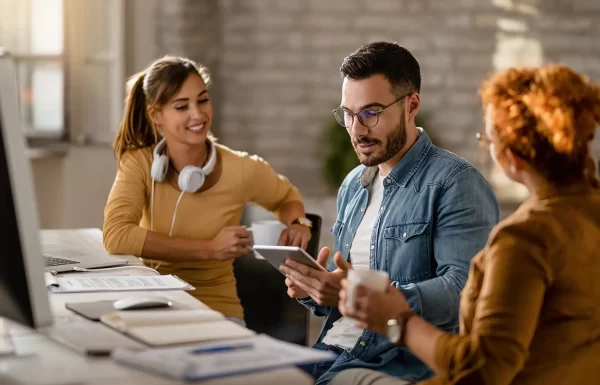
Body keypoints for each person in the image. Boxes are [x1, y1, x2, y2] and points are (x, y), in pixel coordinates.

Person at [332, 64, 600, 385]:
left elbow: (483, 369)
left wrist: (397, 320)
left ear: (512, 156)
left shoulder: (524, 239)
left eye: (487, 139)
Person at [279, 42, 499, 384]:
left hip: (392, 361)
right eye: (349, 115)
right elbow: (344, 287)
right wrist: (316, 290)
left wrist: (361, 295)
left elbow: (465, 291)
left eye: (371, 112)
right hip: (329, 352)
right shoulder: (354, 183)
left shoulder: (455, 182)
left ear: (411, 105)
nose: (357, 129)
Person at [103, 56, 313, 325]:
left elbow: (287, 197)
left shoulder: (242, 169)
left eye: (202, 100)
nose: (198, 115)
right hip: (152, 302)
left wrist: (299, 222)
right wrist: (208, 249)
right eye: (182, 106)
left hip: (218, 309)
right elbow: (117, 235)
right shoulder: (140, 163)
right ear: (156, 115)